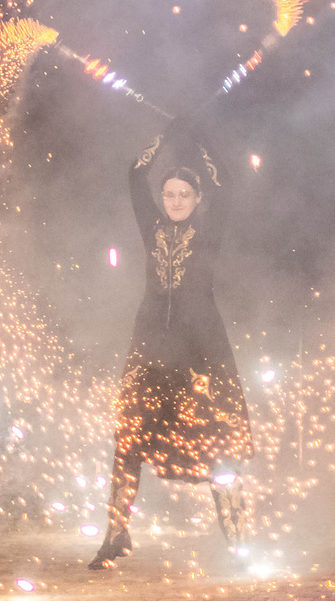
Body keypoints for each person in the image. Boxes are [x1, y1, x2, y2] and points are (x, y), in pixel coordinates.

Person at [89, 126, 253, 566]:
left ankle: (238, 542)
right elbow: (132, 177)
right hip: (150, 351)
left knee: (218, 450)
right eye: (169, 194)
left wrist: (201, 142)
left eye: (184, 194)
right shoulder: (152, 229)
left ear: (197, 199)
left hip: (201, 355)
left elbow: (229, 183)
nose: (176, 201)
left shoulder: (209, 232)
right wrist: (161, 140)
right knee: (128, 444)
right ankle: (115, 535)